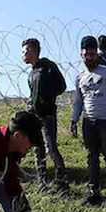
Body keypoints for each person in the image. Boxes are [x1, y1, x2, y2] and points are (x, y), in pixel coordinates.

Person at [71, 36, 106, 206]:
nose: (90, 57)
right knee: (91, 157)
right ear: (82, 55)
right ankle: (93, 192)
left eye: (93, 54)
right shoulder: (80, 77)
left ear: (97, 53)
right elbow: (78, 101)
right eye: (87, 54)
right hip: (88, 122)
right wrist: (74, 121)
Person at [22, 38, 70, 193]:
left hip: (47, 115)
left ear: (34, 51)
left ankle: (62, 180)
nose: (23, 54)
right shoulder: (31, 73)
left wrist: (47, 98)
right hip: (34, 116)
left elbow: (61, 86)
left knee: (50, 148)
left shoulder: (48, 67)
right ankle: (42, 181)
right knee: (38, 149)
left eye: (26, 51)